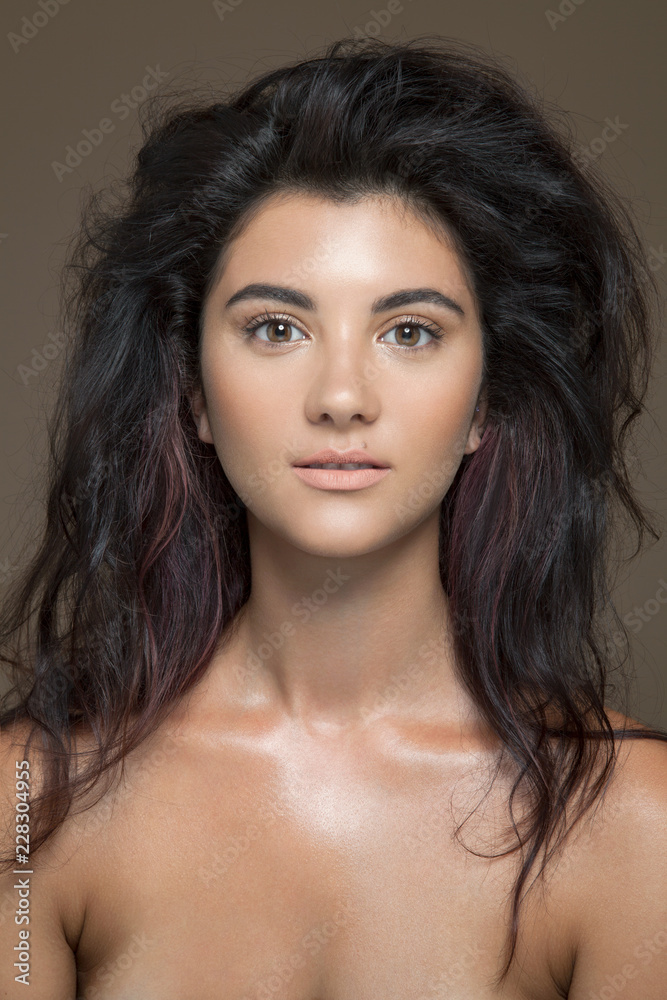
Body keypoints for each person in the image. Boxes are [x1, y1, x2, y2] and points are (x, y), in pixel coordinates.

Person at [1, 34, 666, 1000]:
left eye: (409, 331)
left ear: (488, 399)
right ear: (191, 388)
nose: (342, 396)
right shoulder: (29, 802)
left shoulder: (633, 824)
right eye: (276, 328)